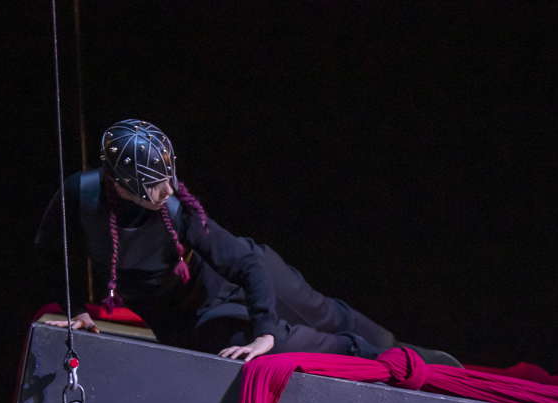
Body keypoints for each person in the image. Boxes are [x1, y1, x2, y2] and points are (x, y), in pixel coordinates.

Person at [36, 118, 400, 362]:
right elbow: (51, 253)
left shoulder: (177, 211)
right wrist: (76, 310)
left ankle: (396, 349)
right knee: (270, 345)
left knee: (319, 311)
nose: (168, 190)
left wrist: (265, 330)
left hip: (238, 270)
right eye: (153, 183)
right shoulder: (80, 197)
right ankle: (373, 357)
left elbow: (245, 264)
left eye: (168, 177)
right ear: (118, 183)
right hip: (198, 312)